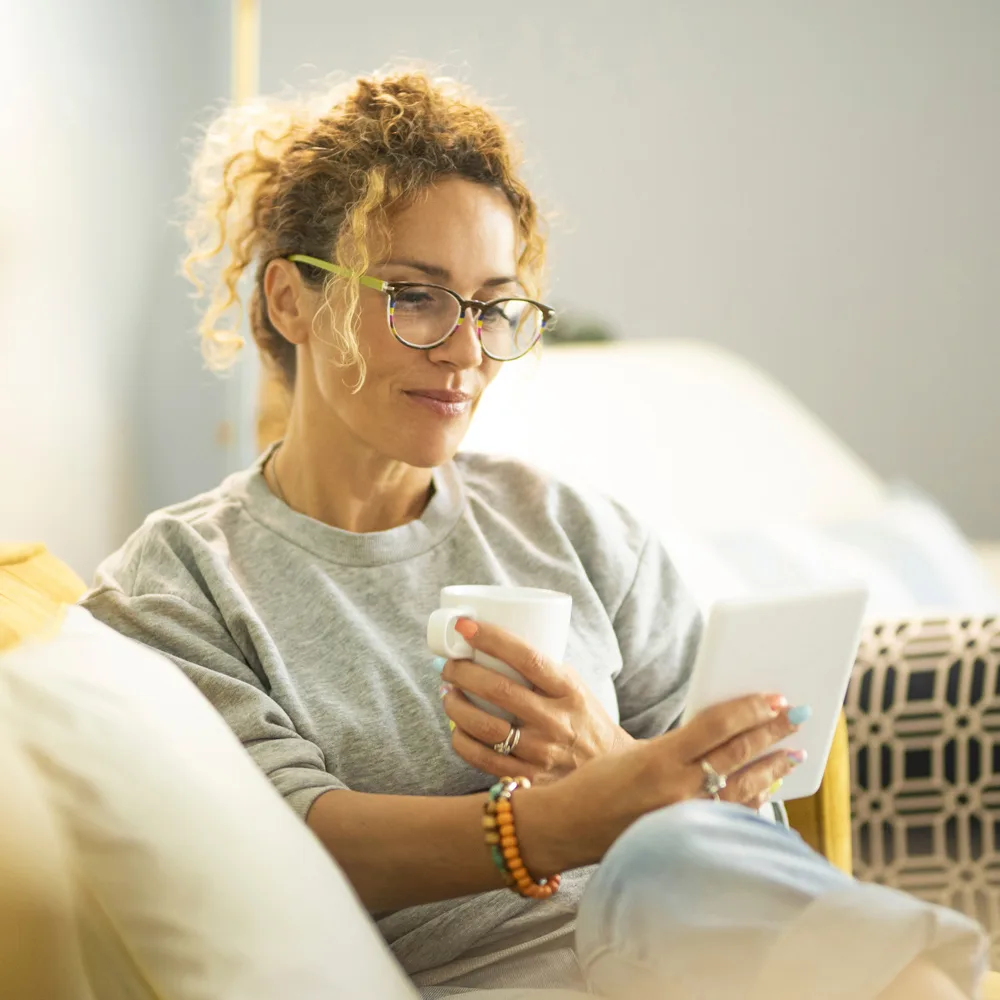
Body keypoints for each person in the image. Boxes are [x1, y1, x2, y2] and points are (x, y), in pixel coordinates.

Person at [82, 70, 985, 999]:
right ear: (290, 301)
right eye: (415, 297)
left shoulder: (574, 529)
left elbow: (731, 832)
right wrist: (563, 821)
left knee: (690, 869)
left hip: (683, 942)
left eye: (494, 306)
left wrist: (614, 767)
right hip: (486, 979)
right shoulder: (180, 583)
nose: (468, 352)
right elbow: (285, 843)